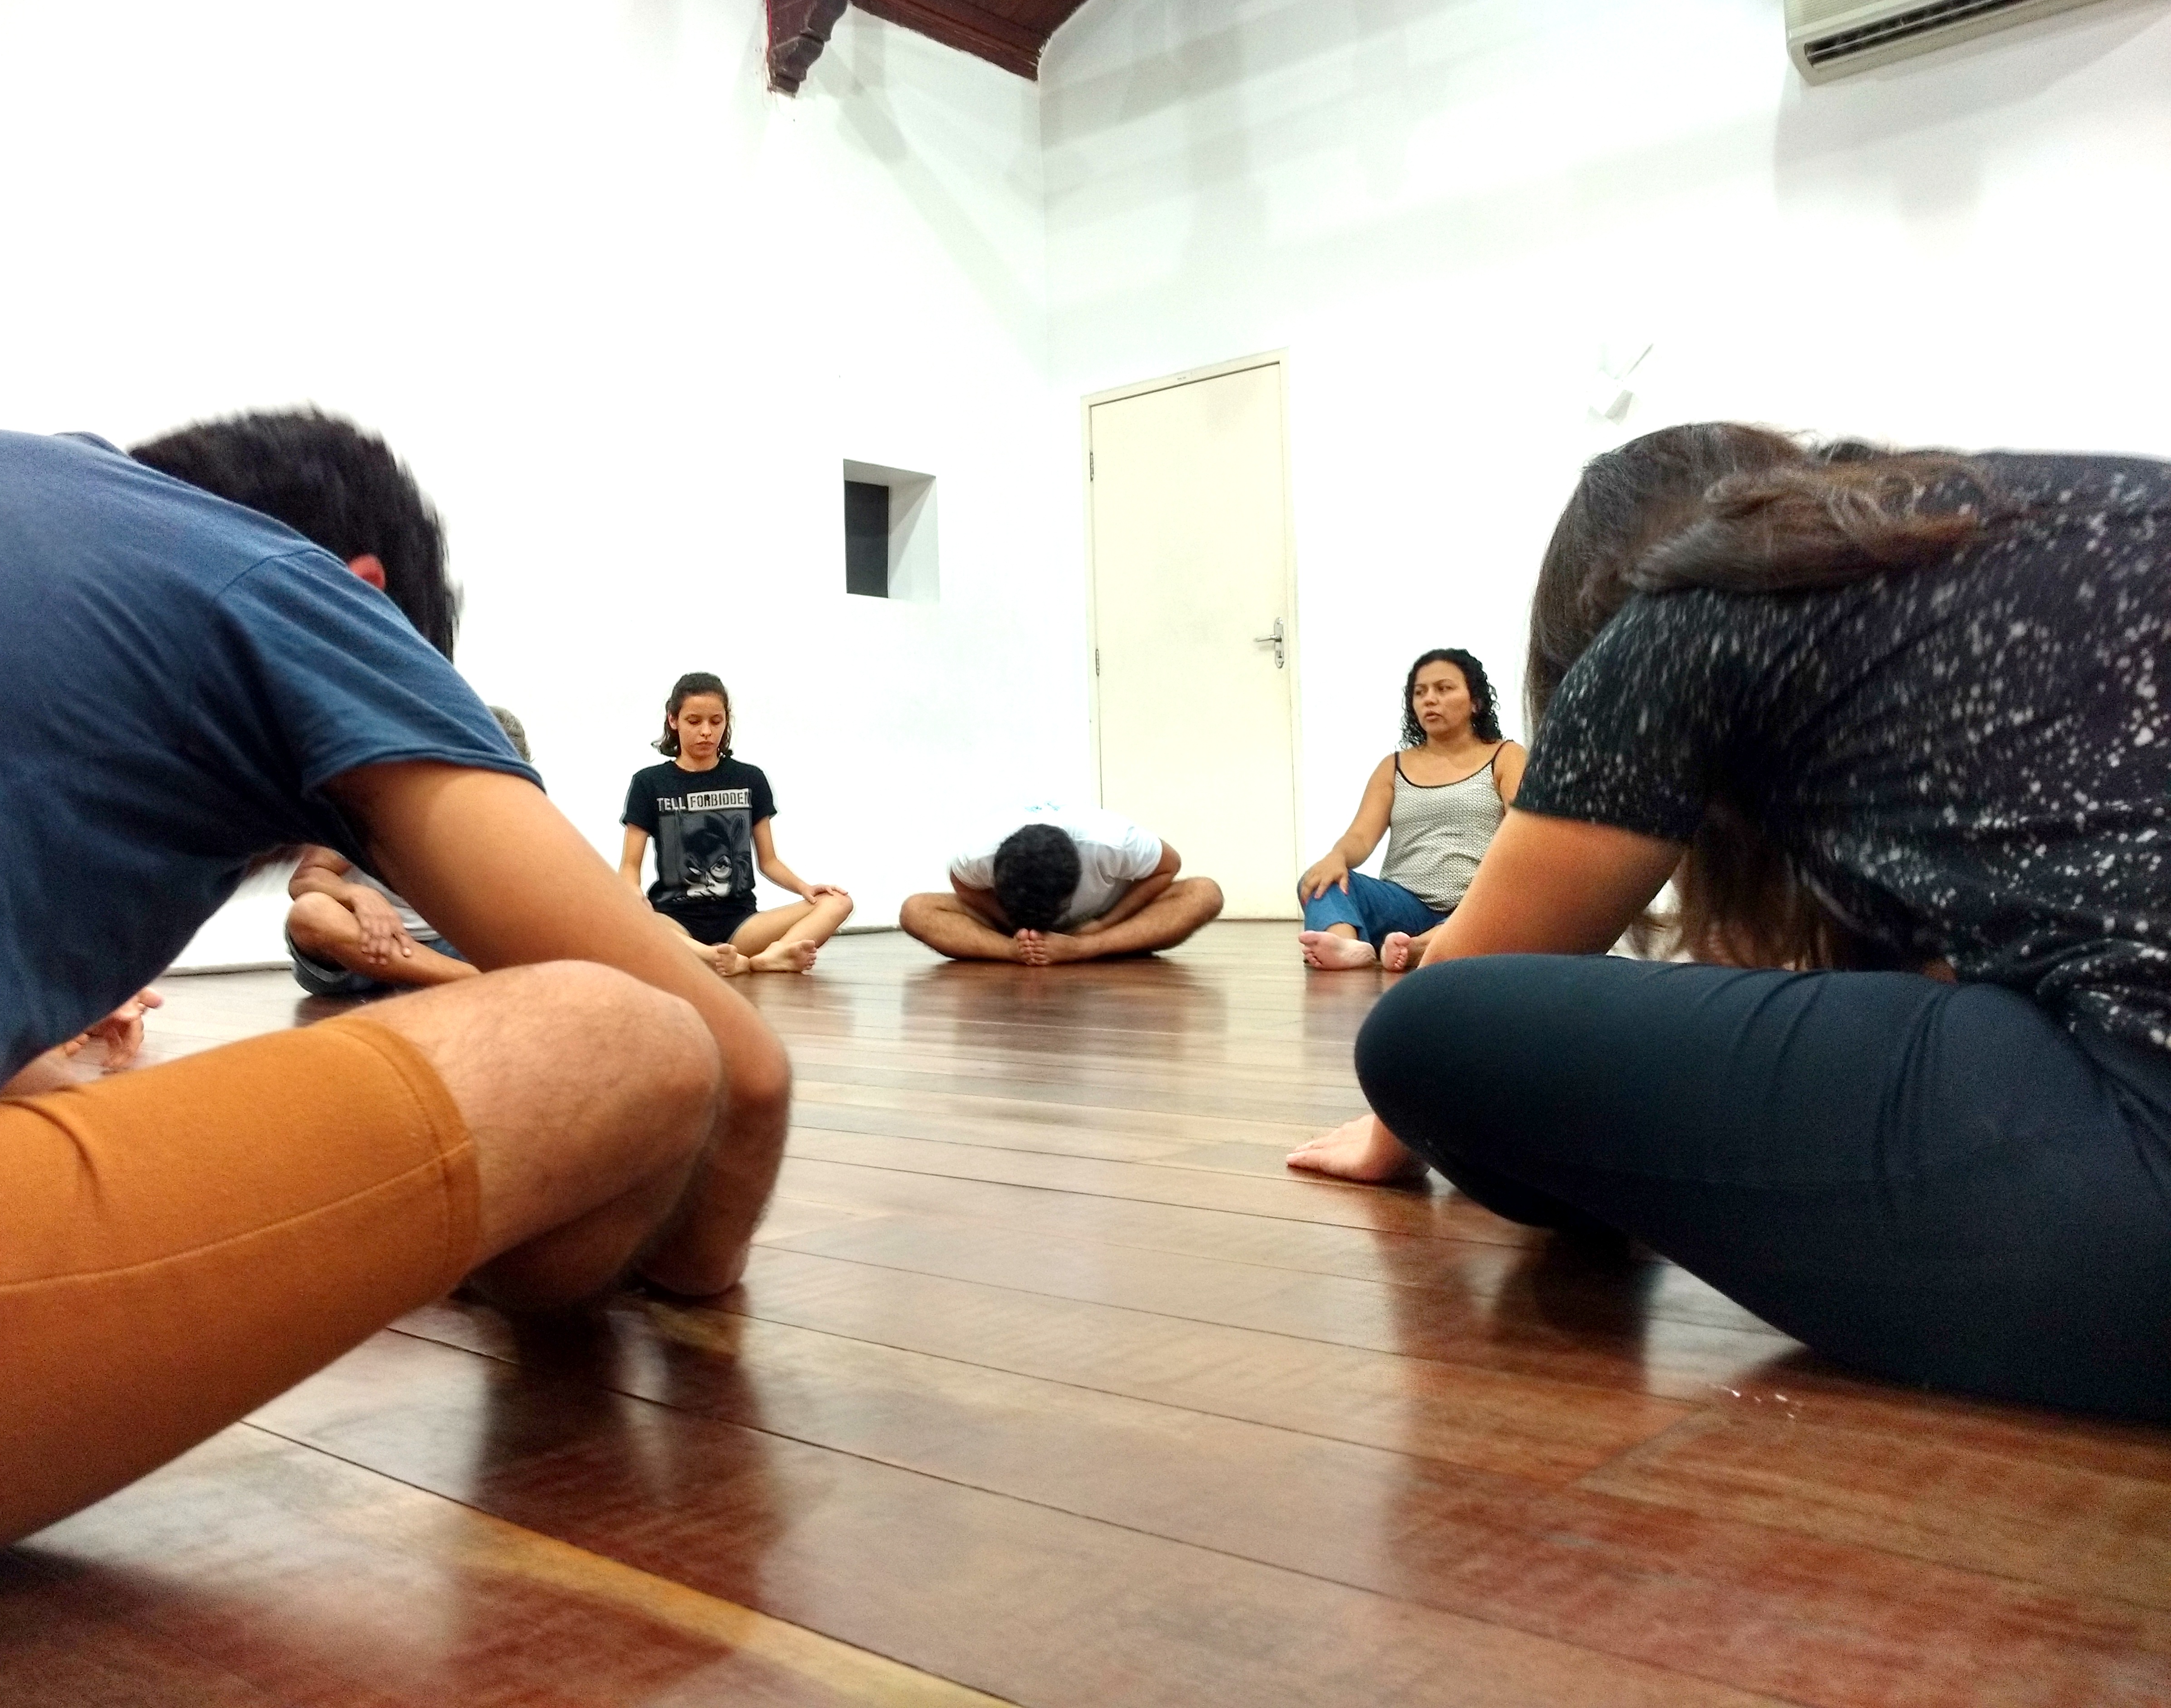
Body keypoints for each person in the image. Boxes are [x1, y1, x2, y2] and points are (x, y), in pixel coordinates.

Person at [0, 414, 791, 1692]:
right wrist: (669, 1271)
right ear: (368, 595)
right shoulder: (292, 589)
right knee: (623, 1037)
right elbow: (741, 1074)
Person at [1289, 423, 2171, 1421]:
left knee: (1421, 1030)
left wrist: (1396, 1121)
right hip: (2106, 1076)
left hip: (2136, 1160)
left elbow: (1474, 970)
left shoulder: (1695, 607)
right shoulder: (2035, 516)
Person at [1295, 649, 1525, 973]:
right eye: (1420, 692)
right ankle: (1346, 945)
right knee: (1320, 879)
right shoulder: (1393, 767)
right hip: (1403, 903)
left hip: (1474, 902)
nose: (1430, 699)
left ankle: (1418, 948)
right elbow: (1360, 838)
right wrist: (1337, 857)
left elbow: (1524, 827)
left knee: (1508, 910)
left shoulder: (1506, 756)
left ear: (1476, 702)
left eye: (1444, 689)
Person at [283, 709, 537, 996]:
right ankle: (472, 981)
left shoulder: (511, 826)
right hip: (356, 951)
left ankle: (444, 978)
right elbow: (304, 880)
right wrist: (358, 895)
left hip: (446, 951)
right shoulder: (378, 802)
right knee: (310, 912)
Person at [620, 673, 851, 975]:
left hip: (740, 923)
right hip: (674, 920)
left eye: (716, 721)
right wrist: (631, 894)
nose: (706, 732)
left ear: (726, 721)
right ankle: (711, 956)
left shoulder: (749, 778)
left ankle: (772, 956)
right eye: (694, 721)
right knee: (624, 915)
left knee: (838, 903)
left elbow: (769, 861)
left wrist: (805, 888)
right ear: (673, 720)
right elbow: (629, 867)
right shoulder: (649, 783)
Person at [899, 805, 1223, 964]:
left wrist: (1100, 928)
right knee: (916, 910)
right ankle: (1017, 952)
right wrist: (1013, 929)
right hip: (1013, 925)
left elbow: (1169, 866)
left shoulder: (1112, 840)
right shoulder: (977, 853)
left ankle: (1087, 949)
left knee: (1204, 893)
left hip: (1103, 919)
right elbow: (962, 884)